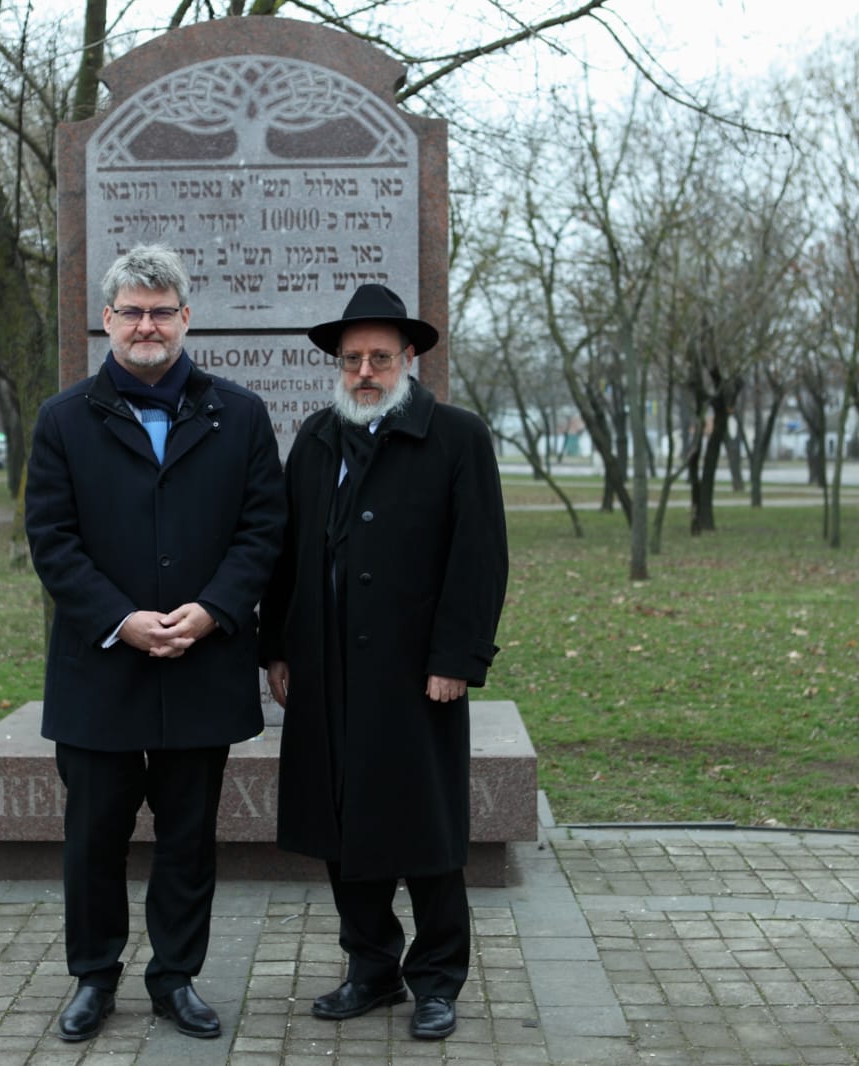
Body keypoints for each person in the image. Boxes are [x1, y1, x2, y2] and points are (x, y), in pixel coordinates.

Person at [25, 244, 285, 1042]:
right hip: (101, 667)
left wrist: (211, 611)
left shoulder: (238, 414)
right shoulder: (64, 419)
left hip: (203, 664)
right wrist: (122, 620)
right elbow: (53, 538)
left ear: (185, 318)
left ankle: (176, 977)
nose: (147, 325)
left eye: (161, 310)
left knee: (188, 839)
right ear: (107, 322)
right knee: (93, 839)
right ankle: (92, 978)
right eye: (132, 311)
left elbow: (262, 529)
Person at [260, 283, 509, 1041]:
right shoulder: (316, 437)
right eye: (351, 359)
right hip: (325, 670)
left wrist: (456, 657)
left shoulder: (457, 438)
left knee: (424, 831)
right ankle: (370, 966)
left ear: (410, 360)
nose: (364, 371)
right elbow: (285, 552)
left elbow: (480, 558)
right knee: (341, 825)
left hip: (415, 674)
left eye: (378, 357)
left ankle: (436, 979)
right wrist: (276, 644)